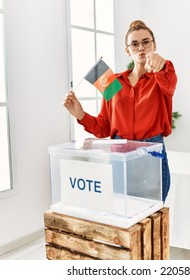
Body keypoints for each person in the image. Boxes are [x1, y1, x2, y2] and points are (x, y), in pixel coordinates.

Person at [63, 20, 178, 202]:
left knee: (152, 219)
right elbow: (104, 128)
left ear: (154, 46)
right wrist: (81, 115)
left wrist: (162, 65)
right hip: (119, 155)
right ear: (127, 50)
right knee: (121, 215)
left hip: (151, 154)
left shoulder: (162, 77)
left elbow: (170, 83)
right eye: (134, 44)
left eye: (146, 42)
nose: (141, 48)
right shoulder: (113, 82)